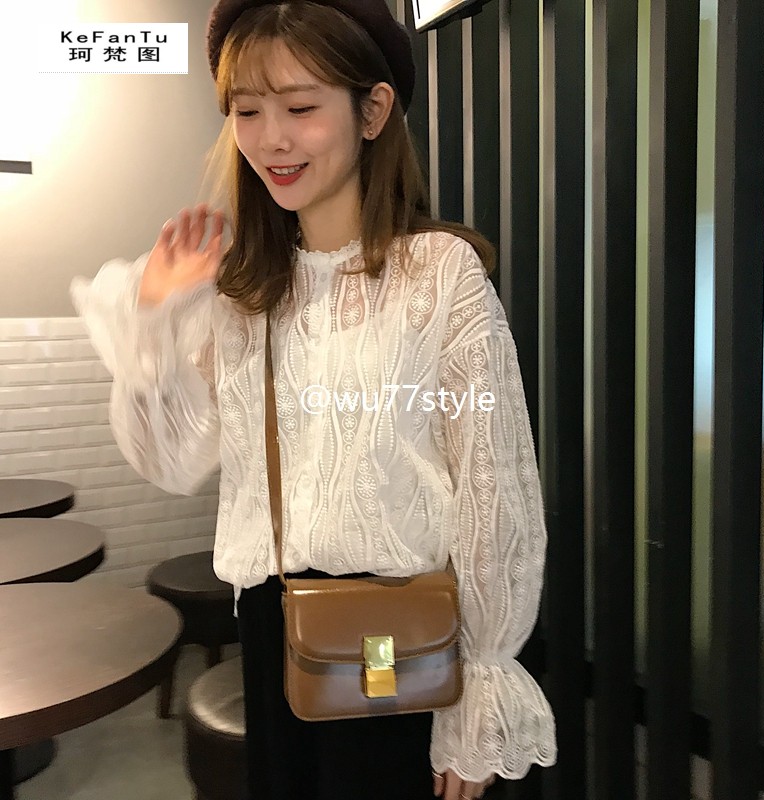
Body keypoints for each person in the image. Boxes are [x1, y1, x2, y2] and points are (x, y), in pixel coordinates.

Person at [70, 1, 556, 798]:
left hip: (400, 626)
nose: (271, 139)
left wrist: (482, 682)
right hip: (278, 628)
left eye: (300, 108)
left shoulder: (438, 275)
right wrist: (155, 321)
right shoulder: (242, 294)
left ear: (373, 110)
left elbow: (494, 487)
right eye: (247, 111)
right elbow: (171, 461)